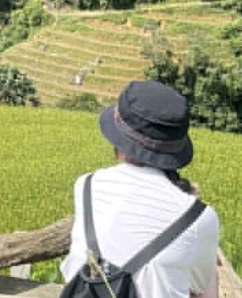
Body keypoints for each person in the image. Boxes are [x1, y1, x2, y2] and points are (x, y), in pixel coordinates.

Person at [61, 80, 221, 298]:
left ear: (119, 141)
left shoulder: (87, 185)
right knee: (211, 280)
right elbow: (200, 287)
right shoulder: (200, 217)